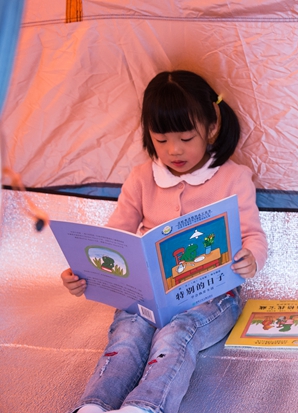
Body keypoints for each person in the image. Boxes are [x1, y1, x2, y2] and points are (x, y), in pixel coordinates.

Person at [60, 70, 268, 413]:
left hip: (213, 298)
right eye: (161, 139)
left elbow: (253, 235)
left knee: (176, 334)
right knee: (127, 335)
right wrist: (85, 271)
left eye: (186, 138)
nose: (174, 150)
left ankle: (145, 406)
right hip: (147, 299)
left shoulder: (233, 177)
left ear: (211, 127)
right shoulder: (142, 178)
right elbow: (114, 239)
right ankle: (94, 405)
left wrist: (250, 257)